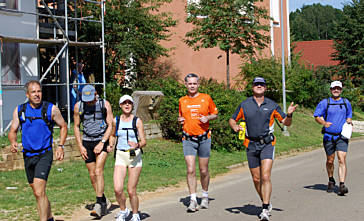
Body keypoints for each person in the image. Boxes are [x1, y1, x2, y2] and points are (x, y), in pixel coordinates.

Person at [229, 77, 297, 221]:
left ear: (265, 88)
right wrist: (234, 126)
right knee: (256, 178)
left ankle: (265, 209)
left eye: (262, 85)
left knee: (265, 176)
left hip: (267, 144)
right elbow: (232, 118)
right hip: (250, 144)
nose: (259, 86)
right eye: (256, 84)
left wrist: (289, 114)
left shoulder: (272, 105)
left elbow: (286, 122)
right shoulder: (245, 104)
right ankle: (265, 201)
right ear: (252, 87)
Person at [8, 80, 67, 221]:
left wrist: (60, 146)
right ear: (27, 94)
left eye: (39, 91)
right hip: (28, 155)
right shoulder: (20, 110)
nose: (37, 94)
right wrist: (13, 141)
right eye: (33, 92)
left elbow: (64, 126)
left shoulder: (50, 109)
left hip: (44, 154)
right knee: (37, 192)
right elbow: (12, 131)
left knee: (40, 191)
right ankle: (50, 218)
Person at [178, 73, 218, 212]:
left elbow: (215, 114)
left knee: (203, 169)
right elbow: (181, 116)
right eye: (189, 83)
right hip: (188, 139)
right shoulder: (182, 100)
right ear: (186, 85)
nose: (192, 86)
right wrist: (180, 120)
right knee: (190, 169)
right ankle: (193, 199)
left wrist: (208, 118)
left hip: (204, 138)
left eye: (194, 83)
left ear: (198, 84)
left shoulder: (206, 98)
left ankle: (205, 196)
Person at [73, 85, 114, 218]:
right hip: (86, 141)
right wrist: (80, 146)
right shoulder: (79, 106)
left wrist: (103, 142)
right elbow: (76, 126)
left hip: (101, 140)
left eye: (91, 99)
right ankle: (103, 199)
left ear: (95, 94)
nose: (89, 102)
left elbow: (110, 125)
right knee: (92, 175)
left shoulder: (104, 104)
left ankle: (98, 204)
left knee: (98, 171)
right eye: (86, 100)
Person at [110, 95, 146, 221]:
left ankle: (135, 214)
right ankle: (124, 210)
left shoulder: (137, 121)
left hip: (134, 156)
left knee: (131, 190)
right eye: (124, 103)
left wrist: (137, 144)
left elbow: (144, 141)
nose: (127, 105)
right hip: (120, 155)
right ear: (120, 105)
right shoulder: (116, 120)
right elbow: (113, 135)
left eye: (129, 103)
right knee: (117, 189)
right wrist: (110, 144)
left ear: (132, 105)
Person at [314, 81, 352, 196]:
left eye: (338, 89)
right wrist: (324, 122)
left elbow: (349, 114)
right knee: (330, 161)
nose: (336, 90)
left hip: (342, 136)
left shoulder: (346, 102)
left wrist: (349, 120)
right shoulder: (325, 103)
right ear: (330, 90)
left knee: (342, 159)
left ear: (341, 90)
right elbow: (316, 116)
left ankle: (341, 185)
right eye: (334, 88)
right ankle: (331, 179)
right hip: (328, 136)